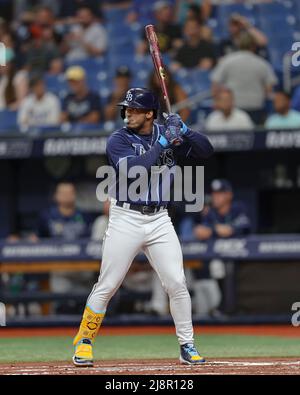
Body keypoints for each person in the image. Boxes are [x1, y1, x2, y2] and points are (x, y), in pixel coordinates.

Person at [72, 87, 214, 367]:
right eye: (126, 109)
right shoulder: (118, 139)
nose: (128, 114)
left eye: (135, 110)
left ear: (150, 113)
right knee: (108, 284)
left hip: (160, 219)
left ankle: (187, 345)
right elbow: (133, 169)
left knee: (176, 282)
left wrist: (185, 130)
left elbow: (206, 151)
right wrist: (162, 143)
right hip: (126, 217)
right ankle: (84, 342)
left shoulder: (169, 134)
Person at [192, 179, 251, 316]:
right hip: (218, 260)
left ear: (229, 195)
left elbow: (236, 229)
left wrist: (214, 230)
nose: (216, 197)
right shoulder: (211, 213)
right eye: (214, 194)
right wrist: (217, 229)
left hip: (242, 258)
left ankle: (228, 307)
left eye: (220, 193)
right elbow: (200, 232)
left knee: (223, 265)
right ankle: (221, 307)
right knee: (215, 266)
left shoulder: (238, 208)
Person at [211, 32, 277, 125]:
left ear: (238, 44)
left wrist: (218, 102)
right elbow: (269, 89)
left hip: (233, 108)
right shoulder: (262, 63)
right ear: (254, 46)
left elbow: (215, 84)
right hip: (256, 108)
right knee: (256, 138)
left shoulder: (227, 60)